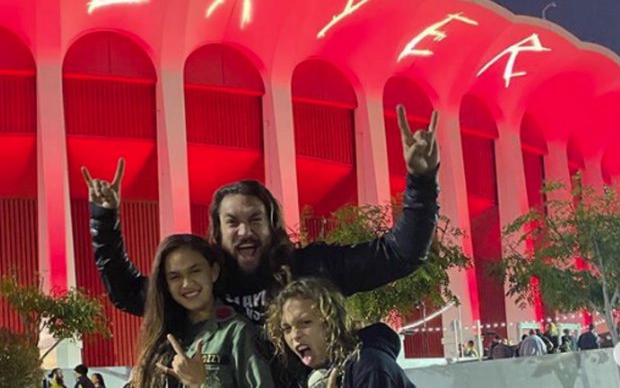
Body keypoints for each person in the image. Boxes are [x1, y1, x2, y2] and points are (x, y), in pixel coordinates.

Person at [85, 105, 438, 386]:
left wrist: (421, 181)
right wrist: (104, 220)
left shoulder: (312, 269)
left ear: (273, 225)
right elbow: (127, 291)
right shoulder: (204, 285)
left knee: (372, 359)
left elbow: (399, 254)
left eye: (255, 220)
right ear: (217, 232)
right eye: (232, 222)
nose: (244, 232)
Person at [129, 234, 274, 388]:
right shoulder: (160, 336)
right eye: (175, 277)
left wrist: (202, 383)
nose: (187, 283)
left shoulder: (237, 332)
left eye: (195, 271)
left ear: (213, 272)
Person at [266, 277, 416, 388]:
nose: (295, 335)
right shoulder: (303, 376)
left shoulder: (370, 366)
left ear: (331, 322)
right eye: (287, 328)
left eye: (305, 323)